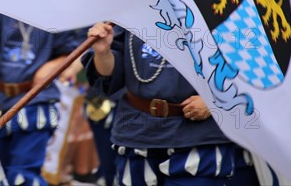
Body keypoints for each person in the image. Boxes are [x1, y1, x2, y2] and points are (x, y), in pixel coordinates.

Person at [83, 23, 236, 185]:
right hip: (137, 132)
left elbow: (249, 61)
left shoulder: (215, 4)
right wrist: (102, 53)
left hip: (198, 137)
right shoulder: (131, 8)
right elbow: (111, 77)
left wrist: (214, 100)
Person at [0, 8, 79, 186]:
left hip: (35, 100)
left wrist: (54, 66)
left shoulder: (57, 11)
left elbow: (71, 51)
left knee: (22, 176)